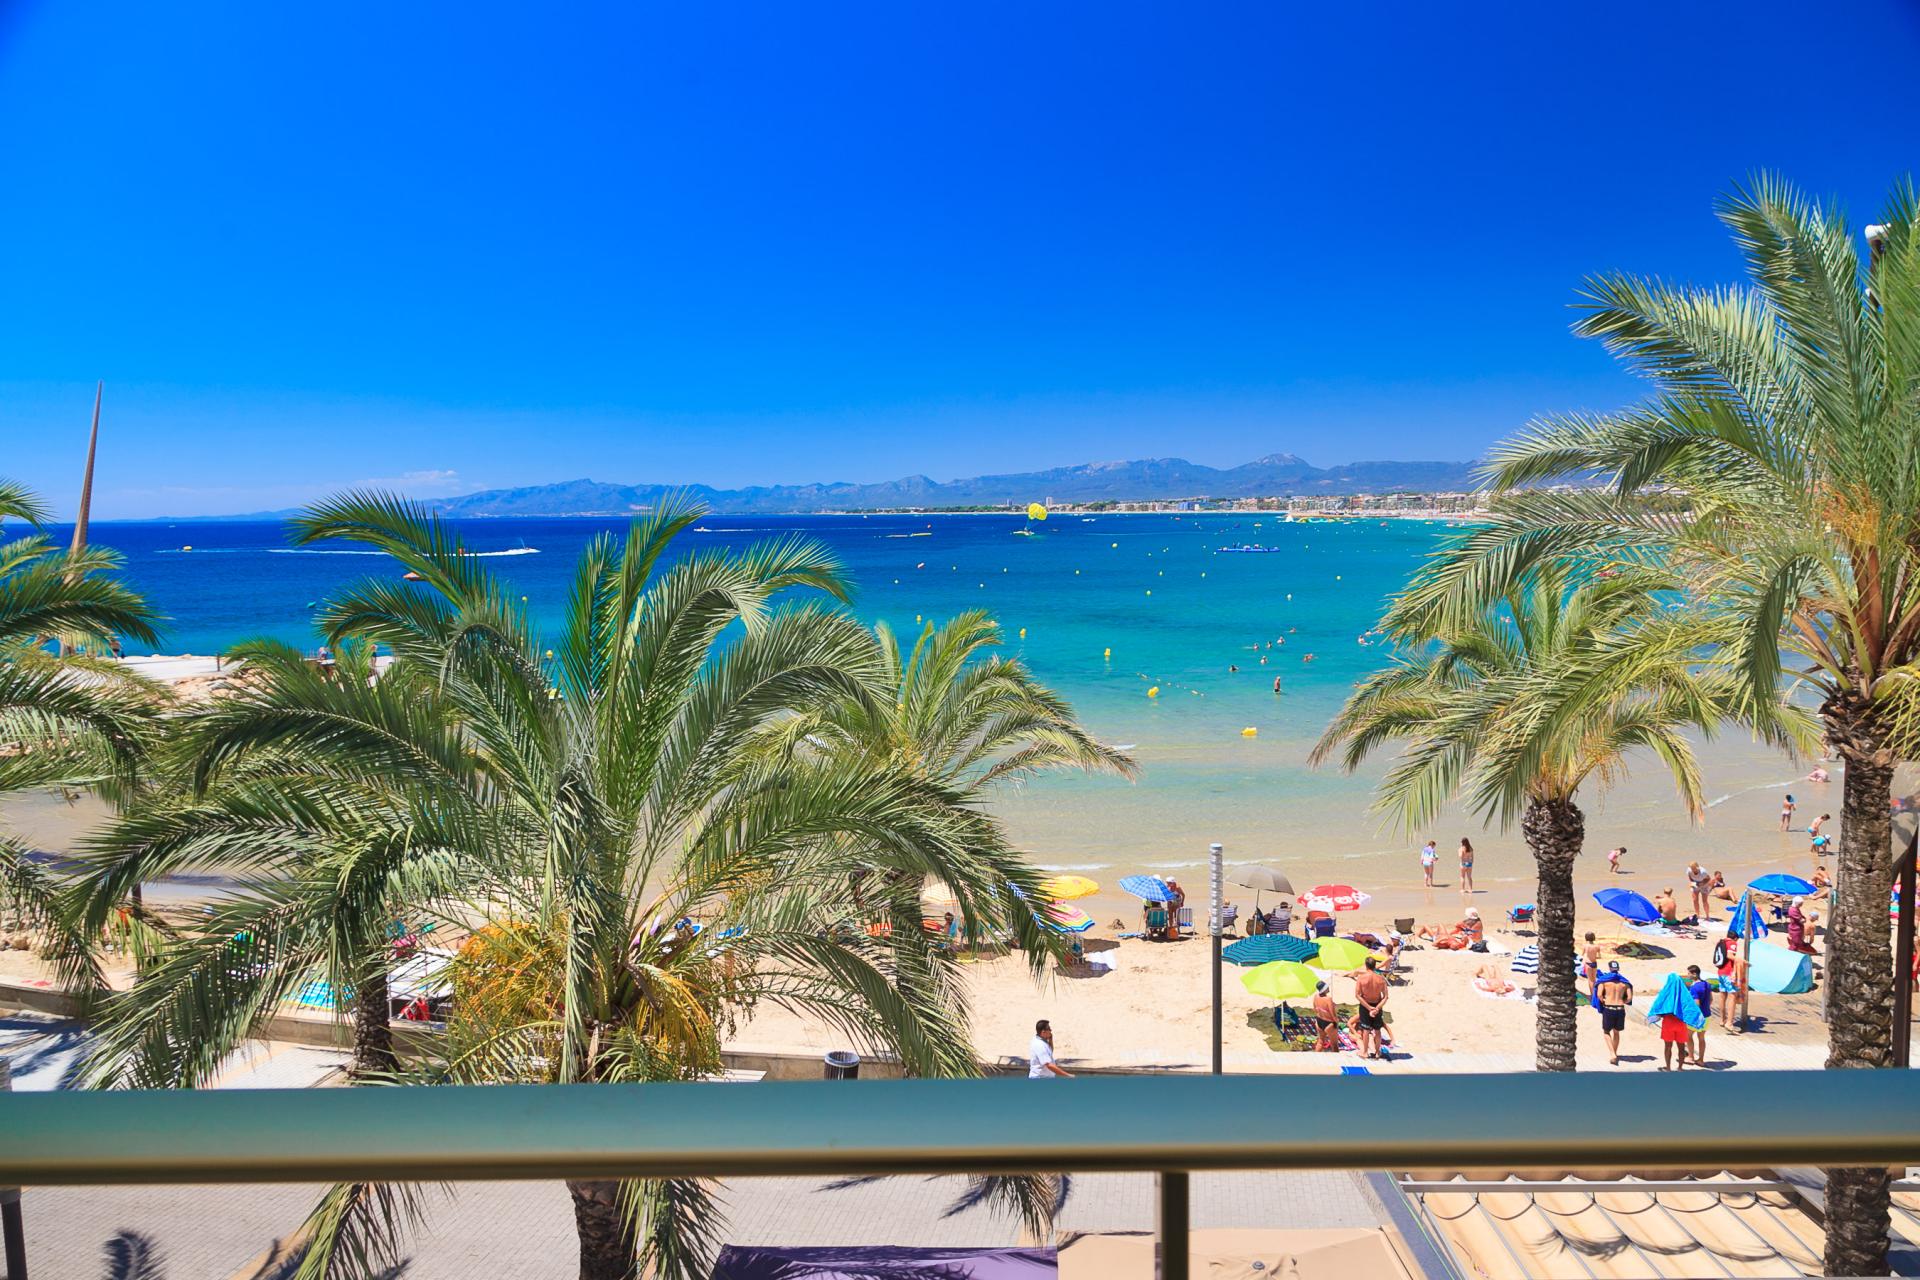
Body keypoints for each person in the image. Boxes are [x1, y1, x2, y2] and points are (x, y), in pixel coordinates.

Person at [1593, 962, 1633, 1065]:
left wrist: (1603, 1001)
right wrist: (1622, 1001)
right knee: (1616, 1032)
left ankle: (1612, 1054)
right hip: (1620, 1009)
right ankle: (1614, 1053)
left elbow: (1599, 994)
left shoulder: (1604, 981)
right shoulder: (1625, 983)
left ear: (1610, 969)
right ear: (1618, 969)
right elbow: (1629, 998)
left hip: (1609, 1008)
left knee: (1606, 1032)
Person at [1352, 956, 1389, 1060]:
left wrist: (1369, 1008)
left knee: (1366, 1030)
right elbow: (1385, 997)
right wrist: (1377, 1008)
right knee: (1377, 1030)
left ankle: (1365, 1052)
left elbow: (1357, 995)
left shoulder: (1361, 978)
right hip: (1377, 1005)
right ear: (1375, 966)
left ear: (1366, 965)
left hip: (1365, 1006)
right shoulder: (1381, 979)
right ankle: (1377, 1052)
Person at [1686, 964, 1713, 1065]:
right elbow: (1711, 999)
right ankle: (1701, 1060)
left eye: (1689, 973)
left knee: (1688, 1035)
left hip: (1697, 1017)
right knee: (1701, 1038)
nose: (1687, 975)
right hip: (1707, 1015)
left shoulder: (1694, 988)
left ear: (1694, 974)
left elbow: (1696, 1004)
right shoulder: (1707, 984)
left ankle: (1690, 1057)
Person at [1311, 980, 1340, 1052]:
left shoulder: (1316, 996)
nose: (1328, 988)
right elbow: (1333, 1015)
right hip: (1329, 1024)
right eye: (1327, 987)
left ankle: (1315, 1057)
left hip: (1319, 1022)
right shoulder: (1328, 999)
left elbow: (1315, 1009)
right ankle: (1337, 1059)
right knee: (1334, 1045)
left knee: (1320, 1042)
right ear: (1324, 989)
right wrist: (1337, 1022)